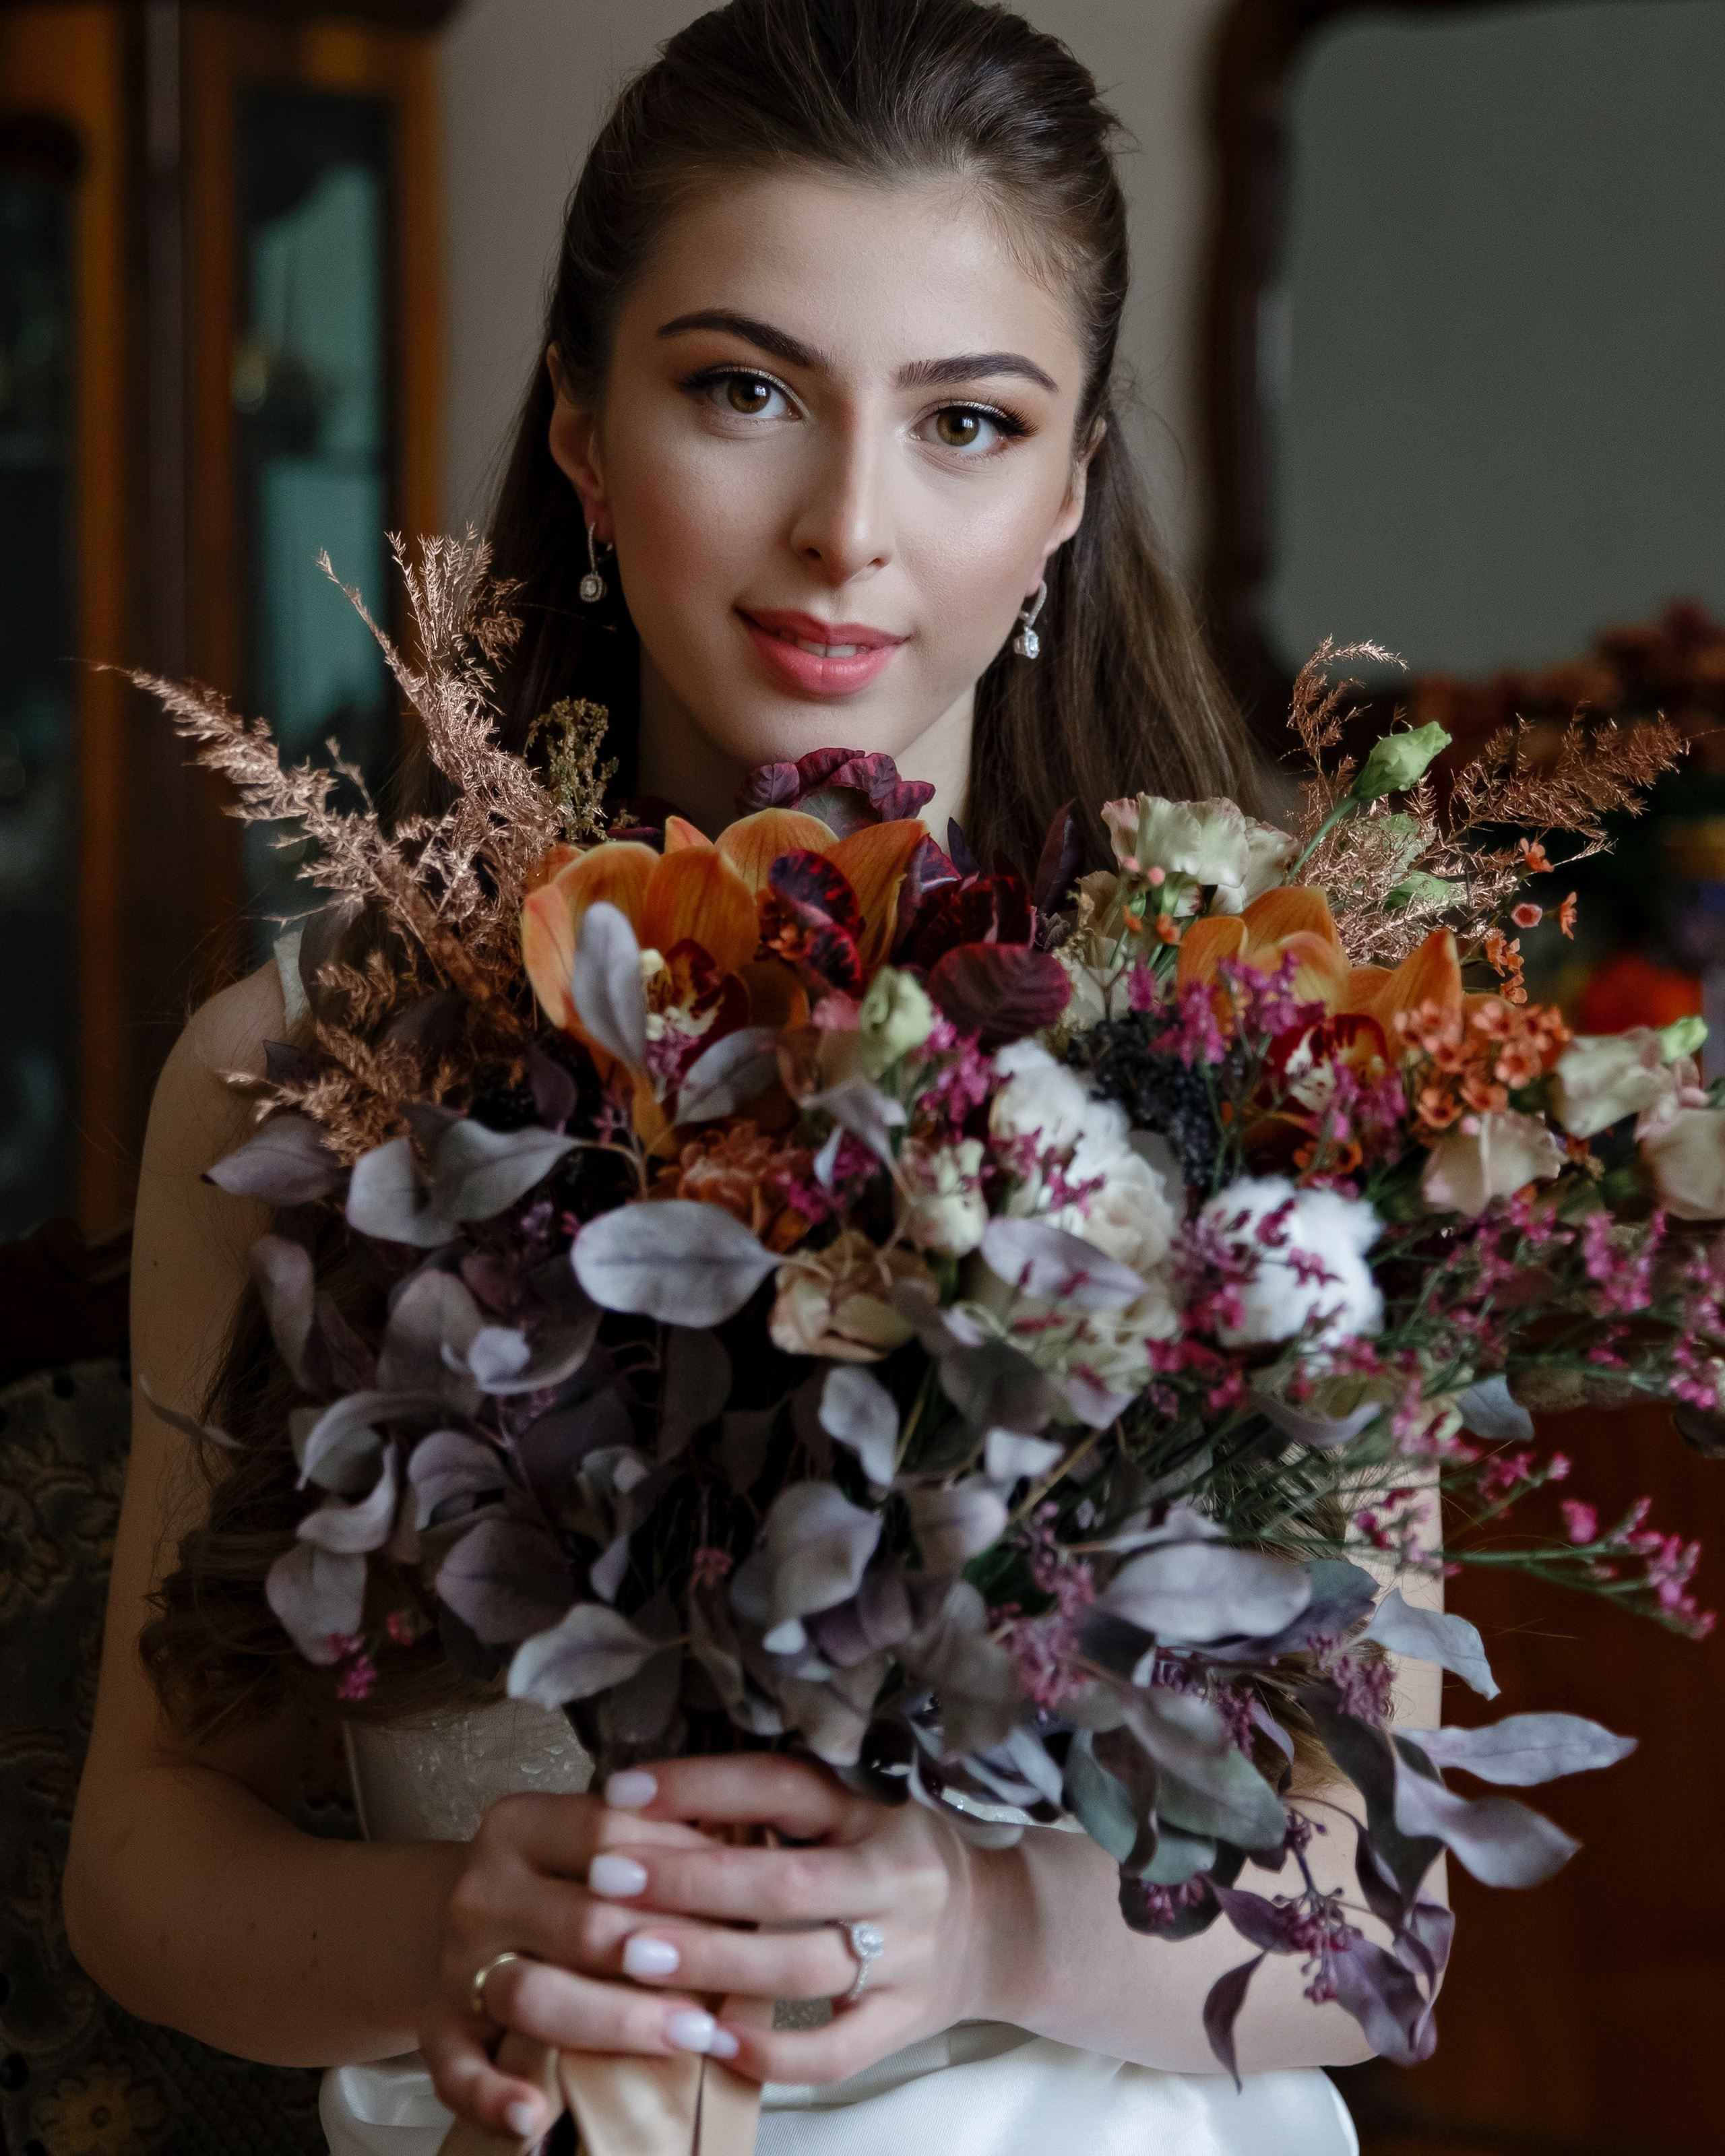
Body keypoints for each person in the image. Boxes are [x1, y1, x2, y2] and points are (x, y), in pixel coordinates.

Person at [65, 3, 1443, 2150]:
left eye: (969, 422)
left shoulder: (1273, 1062)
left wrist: (986, 1929)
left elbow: (1383, 1892)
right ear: (584, 438)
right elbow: (146, 1863)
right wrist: (454, 1931)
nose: (846, 530)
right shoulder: (291, 1082)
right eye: (742, 390)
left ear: (1074, 485)